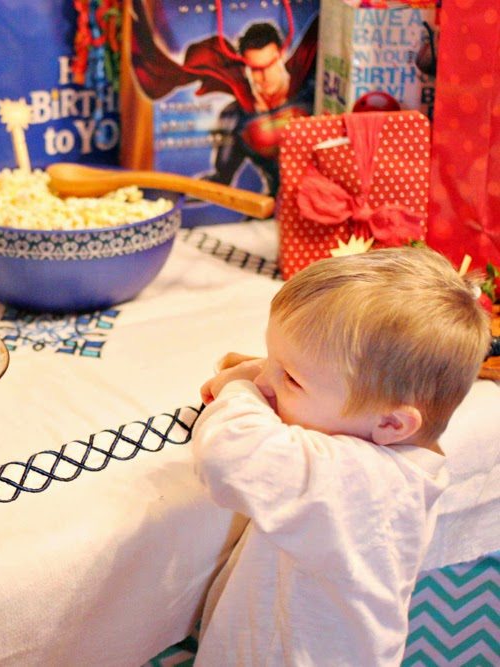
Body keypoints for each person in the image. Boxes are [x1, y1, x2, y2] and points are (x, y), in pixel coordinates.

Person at [191, 247, 491, 665]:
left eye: (290, 378)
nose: (265, 380)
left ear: (391, 424)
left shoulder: (363, 480)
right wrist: (277, 370)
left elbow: (227, 456)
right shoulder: (398, 451)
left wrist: (239, 389)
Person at [130, 1, 317, 195]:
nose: (264, 77)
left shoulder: (308, 85)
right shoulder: (236, 116)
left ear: (282, 56)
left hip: (322, 198)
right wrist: (178, 193)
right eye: (255, 69)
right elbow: (222, 178)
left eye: (270, 65)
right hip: (274, 207)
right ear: (245, 69)